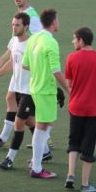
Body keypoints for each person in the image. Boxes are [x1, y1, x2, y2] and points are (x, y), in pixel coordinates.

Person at [0, 0, 43, 149]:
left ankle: (43, 138)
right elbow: (14, 43)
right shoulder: (20, 15)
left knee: (25, 111)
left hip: (27, 69)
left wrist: (34, 63)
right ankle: (4, 138)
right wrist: (2, 59)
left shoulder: (31, 17)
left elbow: (42, 41)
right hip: (18, 64)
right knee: (11, 98)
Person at [21, 9, 69, 179]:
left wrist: (39, 67)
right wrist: (69, 89)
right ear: (54, 22)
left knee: (44, 126)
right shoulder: (51, 42)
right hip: (46, 90)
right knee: (42, 127)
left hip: (34, 87)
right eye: (58, 20)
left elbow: (25, 65)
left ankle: (36, 162)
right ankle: (37, 167)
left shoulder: (33, 38)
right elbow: (56, 70)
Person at [64, 27, 96, 192]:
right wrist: (95, 87)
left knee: (74, 141)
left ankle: (70, 175)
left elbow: (69, 84)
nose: (72, 42)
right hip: (93, 109)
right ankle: (85, 184)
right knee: (88, 146)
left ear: (81, 40)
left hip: (75, 107)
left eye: (74, 39)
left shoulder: (71, 58)